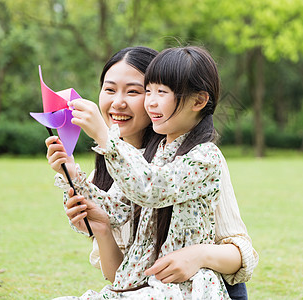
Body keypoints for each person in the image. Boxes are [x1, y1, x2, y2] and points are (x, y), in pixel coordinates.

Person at [46, 46, 257, 299]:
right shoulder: (146, 158)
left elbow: (151, 188)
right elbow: (117, 208)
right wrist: (74, 177)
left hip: (187, 288)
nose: (151, 101)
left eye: (158, 92)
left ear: (198, 101)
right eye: (148, 91)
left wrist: (104, 137)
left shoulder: (203, 158)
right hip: (140, 284)